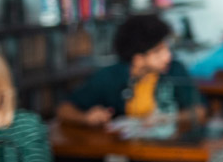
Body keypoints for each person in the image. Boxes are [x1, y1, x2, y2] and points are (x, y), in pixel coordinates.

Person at [56, 14, 204, 127]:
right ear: (137, 58)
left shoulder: (175, 70)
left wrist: (167, 118)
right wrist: (86, 117)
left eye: (167, 49)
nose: (168, 56)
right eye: (158, 51)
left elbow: (199, 111)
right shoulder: (109, 77)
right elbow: (64, 109)